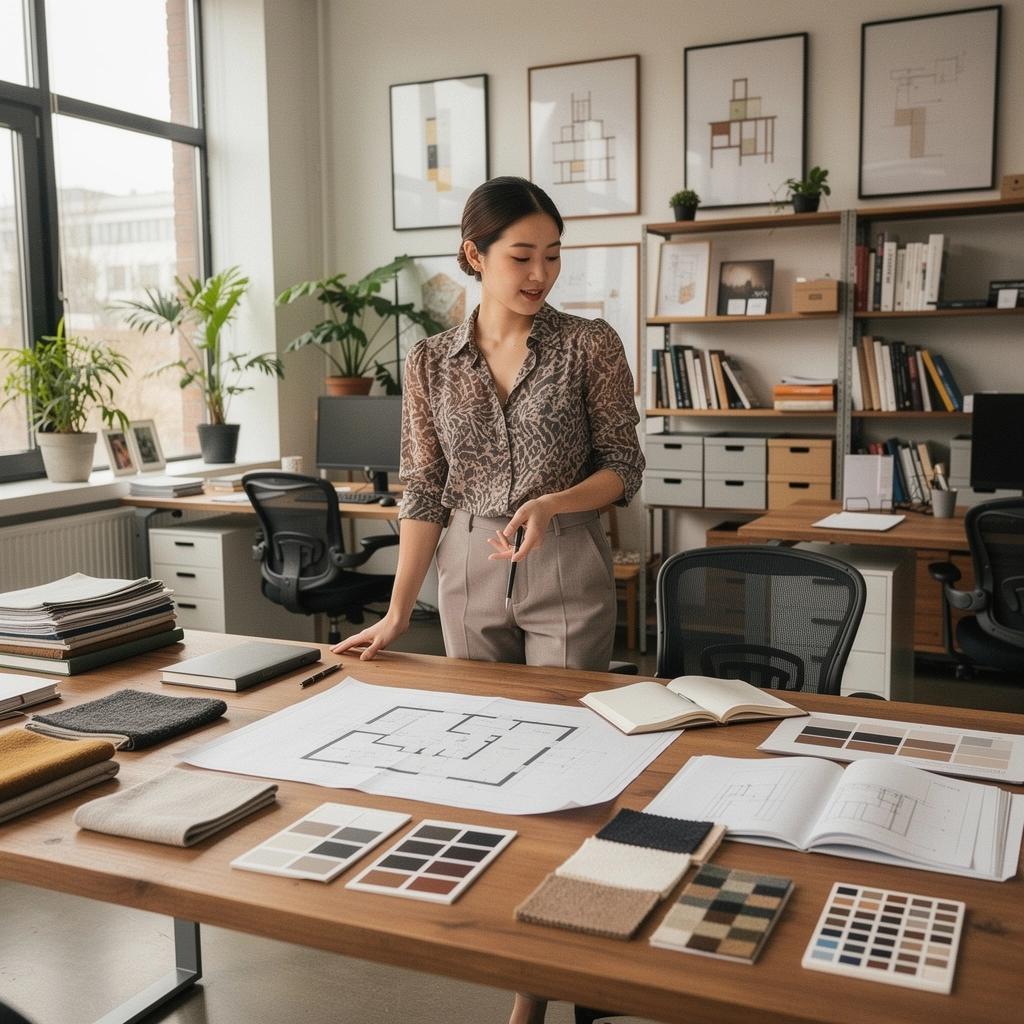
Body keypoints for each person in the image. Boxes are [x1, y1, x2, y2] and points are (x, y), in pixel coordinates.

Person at [333, 177, 644, 1018]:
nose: (540, 273)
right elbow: (424, 489)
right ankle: (523, 958)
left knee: (568, 778)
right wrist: (397, 612)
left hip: (564, 556)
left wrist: (554, 502)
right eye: (522, 256)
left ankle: (546, 981)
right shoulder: (430, 360)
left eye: (553, 256)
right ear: (474, 255)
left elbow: (624, 465)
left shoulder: (589, 344)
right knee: (487, 770)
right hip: (467, 566)